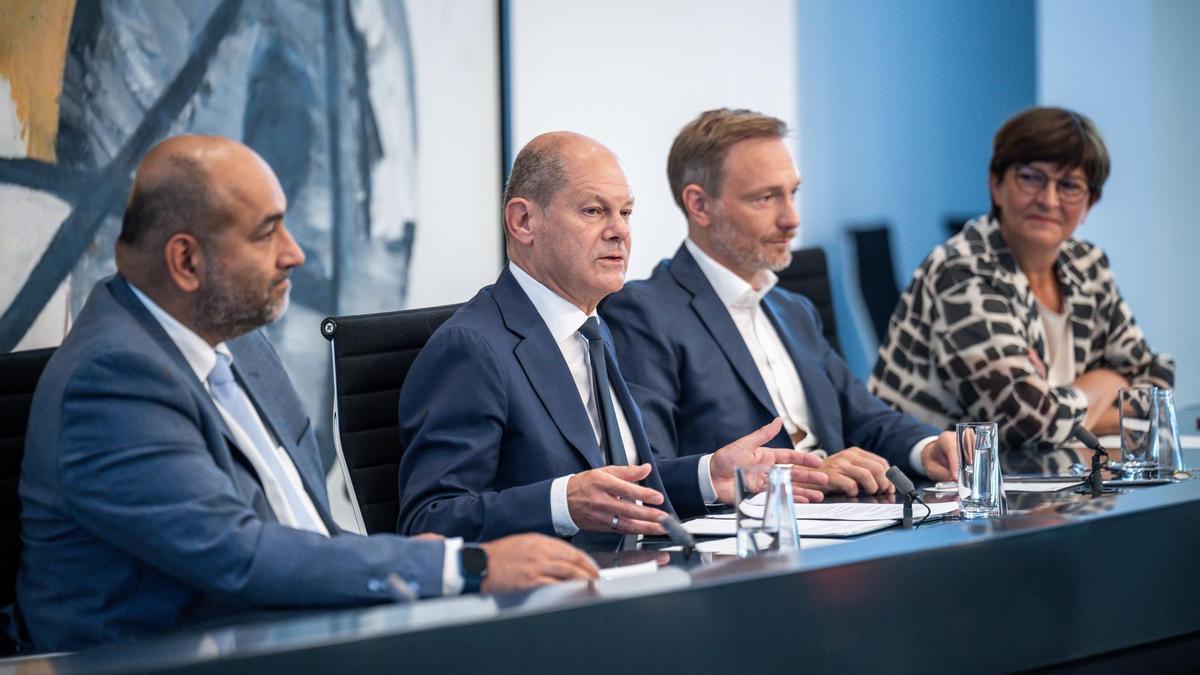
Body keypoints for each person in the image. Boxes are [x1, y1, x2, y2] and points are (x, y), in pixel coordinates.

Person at [17, 135, 596, 653]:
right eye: (267, 232)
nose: (294, 253)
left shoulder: (240, 344)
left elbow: (308, 532)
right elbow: (240, 555)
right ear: (186, 261)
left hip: (291, 634)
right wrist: (466, 566)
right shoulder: (112, 380)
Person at [396, 131, 826, 546]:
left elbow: (615, 488)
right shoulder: (473, 348)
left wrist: (708, 474)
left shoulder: (595, 332)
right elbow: (428, 520)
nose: (619, 230)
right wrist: (560, 503)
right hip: (553, 603)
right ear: (523, 221)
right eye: (593, 211)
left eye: (625, 212)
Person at [601, 109, 958, 493]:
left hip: (847, 521)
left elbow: (867, 419)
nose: (791, 219)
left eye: (792, 193)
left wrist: (928, 447)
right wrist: (792, 477)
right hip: (747, 539)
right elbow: (648, 469)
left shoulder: (794, 309)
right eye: (766, 198)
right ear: (700, 205)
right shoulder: (643, 311)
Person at [870, 107, 1174, 448]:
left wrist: (1061, 408)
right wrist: (1103, 384)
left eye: (1070, 186)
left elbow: (1156, 385)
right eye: (1031, 178)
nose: (1048, 200)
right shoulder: (961, 272)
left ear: (1090, 202)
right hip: (929, 488)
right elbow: (1028, 426)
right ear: (996, 184)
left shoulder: (1087, 264)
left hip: (1047, 481)